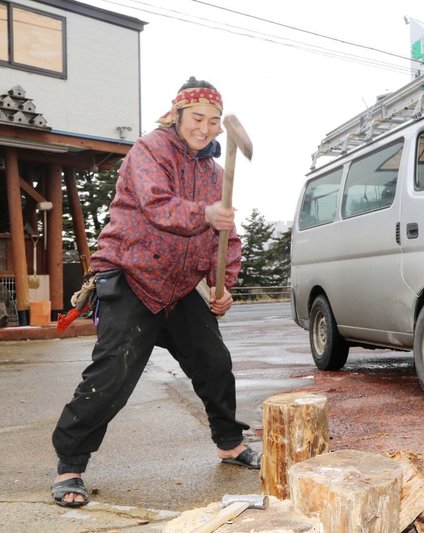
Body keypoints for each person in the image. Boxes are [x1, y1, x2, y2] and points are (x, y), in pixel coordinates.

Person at [50, 77, 260, 507]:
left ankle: (229, 444)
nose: (205, 128)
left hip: (180, 288)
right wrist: (206, 212)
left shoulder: (216, 175)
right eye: (197, 118)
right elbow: (157, 205)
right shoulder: (149, 150)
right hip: (131, 276)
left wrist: (225, 286)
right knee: (114, 375)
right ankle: (70, 465)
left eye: (214, 121)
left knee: (214, 362)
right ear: (177, 114)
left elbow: (228, 238)